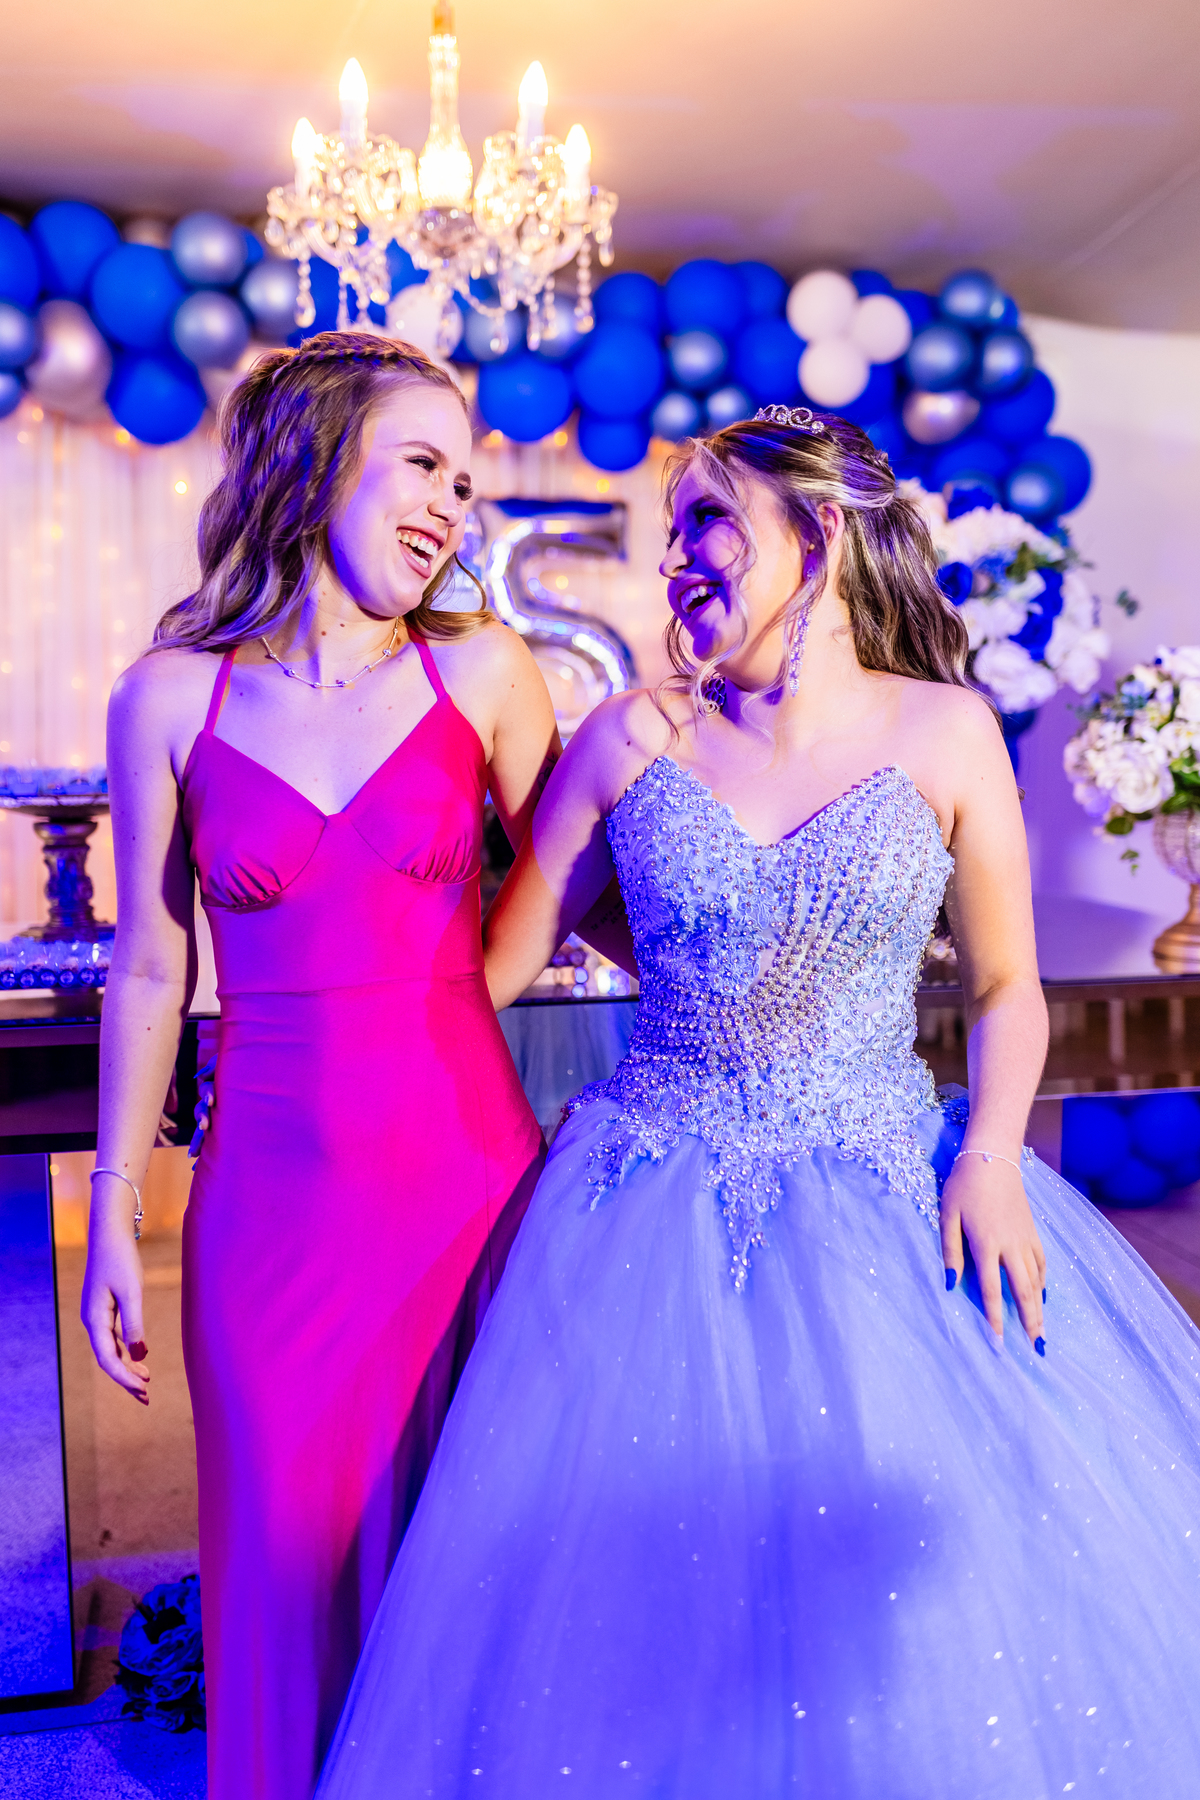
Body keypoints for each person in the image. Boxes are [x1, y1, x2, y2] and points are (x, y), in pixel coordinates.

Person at [316, 405, 1200, 1798]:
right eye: (671, 533)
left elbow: (1008, 986)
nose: (677, 558)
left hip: (886, 1177)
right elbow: (485, 967)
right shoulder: (627, 738)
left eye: (709, 524)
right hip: (644, 1197)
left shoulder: (947, 729)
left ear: (821, 534)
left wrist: (988, 1159)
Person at [81, 332, 559, 1800]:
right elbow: (151, 968)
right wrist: (114, 1204)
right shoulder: (171, 697)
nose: (451, 508)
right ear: (321, 455)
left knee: (464, 1568)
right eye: (423, 464)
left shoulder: (486, 671)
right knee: (281, 1573)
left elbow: (580, 895)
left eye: (465, 484)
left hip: (467, 1188)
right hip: (267, 1212)